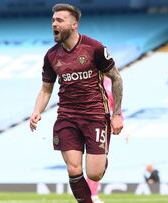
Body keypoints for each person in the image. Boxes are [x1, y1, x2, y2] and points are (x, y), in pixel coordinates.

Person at [29, 3, 123, 203]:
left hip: (95, 115)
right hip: (67, 117)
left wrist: (116, 114)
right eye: (53, 20)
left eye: (59, 20)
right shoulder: (51, 56)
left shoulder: (95, 48)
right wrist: (37, 110)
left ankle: (100, 156)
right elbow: (46, 89)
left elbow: (116, 78)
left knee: (94, 174)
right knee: (73, 168)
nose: (54, 24)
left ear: (74, 25)